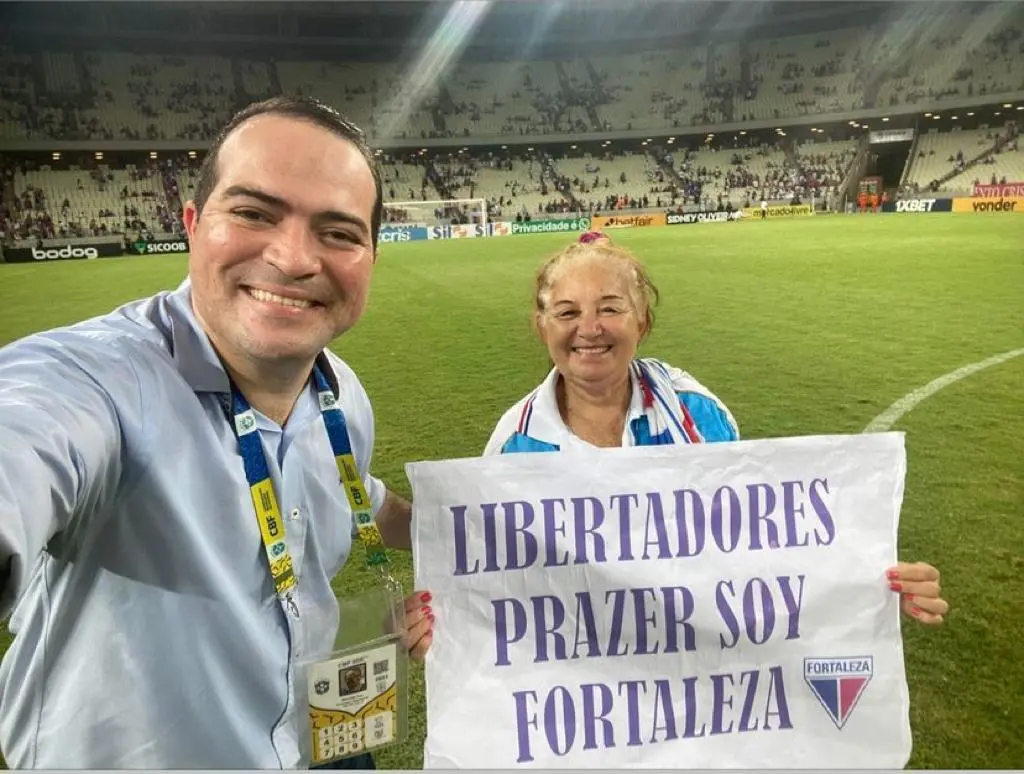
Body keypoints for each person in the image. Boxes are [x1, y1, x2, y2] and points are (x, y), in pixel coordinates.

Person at [0, 96, 433, 769]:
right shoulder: (96, 380)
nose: (294, 258)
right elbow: (23, 440)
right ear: (194, 225)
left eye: (339, 232)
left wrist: (474, 534)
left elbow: (357, 495)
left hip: (321, 740)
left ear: (371, 256)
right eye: (255, 213)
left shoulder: (341, 391)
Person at [483, 239, 949, 625]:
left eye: (610, 308)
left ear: (642, 321)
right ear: (541, 327)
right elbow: (497, 584)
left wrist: (868, 585)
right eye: (566, 313)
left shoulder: (697, 414)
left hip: (697, 677)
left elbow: (754, 543)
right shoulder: (514, 447)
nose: (589, 328)